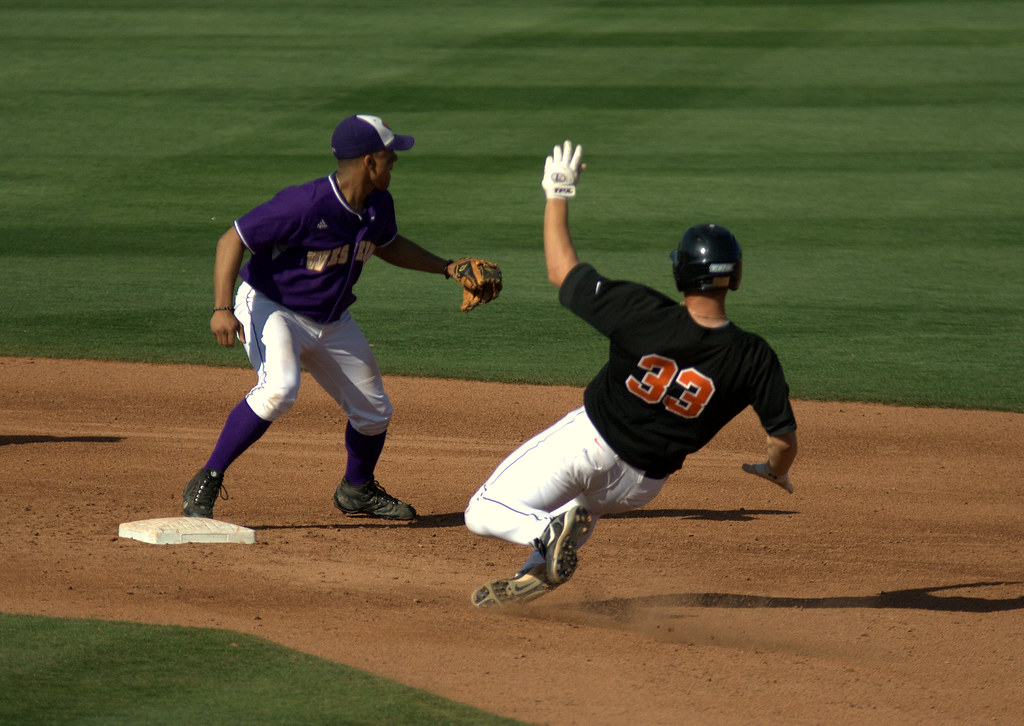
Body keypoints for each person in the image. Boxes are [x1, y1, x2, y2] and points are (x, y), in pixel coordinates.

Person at [464, 140, 797, 608]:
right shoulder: (754, 356)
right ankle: (536, 570)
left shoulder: (644, 314)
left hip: (587, 446)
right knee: (578, 507)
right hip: (638, 487)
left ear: (682, 273)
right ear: (735, 277)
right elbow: (783, 440)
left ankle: (545, 534)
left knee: (481, 512)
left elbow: (562, 271)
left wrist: (558, 192)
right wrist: (773, 471)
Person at [182, 114, 501, 521]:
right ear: (369, 161)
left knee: (374, 412)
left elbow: (387, 245)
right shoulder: (304, 204)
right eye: (390, 156)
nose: (395, 164)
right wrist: (222, 308)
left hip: (331, 319)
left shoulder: (378, 205)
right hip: (271, 306)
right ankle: (208, 477)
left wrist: (448, 267)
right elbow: (232, 239)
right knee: (280, 389)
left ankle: (357, 489)